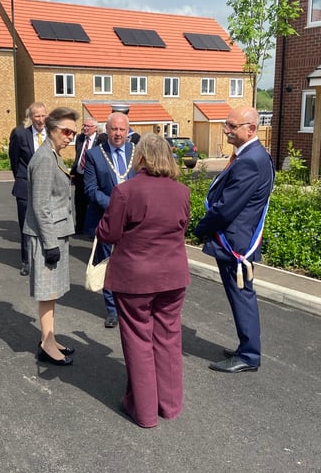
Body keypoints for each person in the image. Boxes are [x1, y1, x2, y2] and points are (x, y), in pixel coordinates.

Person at [96, 133, 190, 428]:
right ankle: (170, 405)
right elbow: (182, 227)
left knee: (138, 340)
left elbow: (108, 233)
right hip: (173, 275)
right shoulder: (182, 191)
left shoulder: (126, 191)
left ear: (142, 157)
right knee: (168, 338)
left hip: (135, 277)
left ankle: (145, 412)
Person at [193, 106, 274, 373]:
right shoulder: (250, 155)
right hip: (236, 238)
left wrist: (200, 228)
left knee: (242, 296)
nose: (226, 130)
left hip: (236, 243)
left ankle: (249, 355)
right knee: (240, 296)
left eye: (232, 126)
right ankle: (245, 347)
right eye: (226, 125)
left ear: (251, 129)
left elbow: (227, 207)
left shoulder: (251, 160)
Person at [23, 107, 78, 366]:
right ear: (51, 129)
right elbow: (40, 205)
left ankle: (49, 337)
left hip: (56, 233)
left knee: (52, 292)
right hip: (48, 236)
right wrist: (49, 243)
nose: (70, 137)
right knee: (47, 293)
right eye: (66, 131)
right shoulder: (45, 158)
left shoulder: (53, 154)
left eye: (73, 133)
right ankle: (46, 345)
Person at [83, 112, 136, 328]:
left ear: (127, 131)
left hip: (134, 220)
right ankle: (112, 309)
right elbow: (91, 190)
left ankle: (130, 306)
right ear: (107, 130)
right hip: (106, 218)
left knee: (132, 264)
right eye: (114, 129)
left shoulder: (136, 151)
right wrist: (116, 206)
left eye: (122, 129)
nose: (118, 133)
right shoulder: (95, 155)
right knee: (108, 264)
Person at [9, 102, 47, 276]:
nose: (40, 119)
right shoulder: (20, 134)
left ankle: (45, 257)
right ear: (30, 117)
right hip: (25, 187)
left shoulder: (53, 134)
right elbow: (14, 161)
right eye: (37, 116)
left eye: (43, 115)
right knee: (26, 225)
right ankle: (26, 261)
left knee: (46, 224)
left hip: (47, 188)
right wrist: (22, 178)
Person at [70, 118, 99, 234]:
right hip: (79, 175)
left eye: (88, 126)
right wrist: (73, 171)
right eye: (84, 126)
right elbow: (78, 156)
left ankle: (91, 228)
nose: (85, 128)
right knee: (79, 202)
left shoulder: (101, 140)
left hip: (92, 176)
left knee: (92, 202)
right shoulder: (80, 138)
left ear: (95, 128)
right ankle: (79, 227)